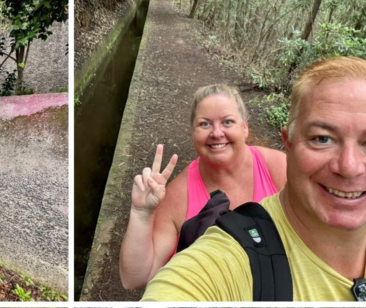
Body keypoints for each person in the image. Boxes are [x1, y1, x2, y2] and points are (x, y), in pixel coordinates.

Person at [142, 57, 366, 301]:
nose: (349, 168)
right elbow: (154, 280)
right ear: (289, 144)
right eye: (322, 139)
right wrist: (141, 213)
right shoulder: (220, 258)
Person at [120, 84, 287, 289]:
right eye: (205, 124)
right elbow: (135, 278)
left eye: (228, 122)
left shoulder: (279, 168)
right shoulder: (177, 196)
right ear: (192, 132)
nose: (217, 133)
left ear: (244, 127)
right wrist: (141, 213)